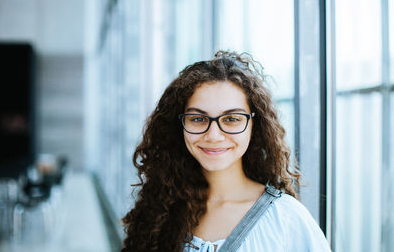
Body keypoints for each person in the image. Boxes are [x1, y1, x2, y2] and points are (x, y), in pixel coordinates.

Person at [121, 51, 331, 252]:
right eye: (197, 118)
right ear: (179, 125)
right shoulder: (161, 207)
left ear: (254, 125)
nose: (213, 135)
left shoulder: (286, 219)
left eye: (231, 119)